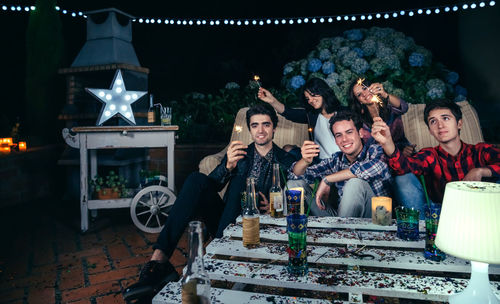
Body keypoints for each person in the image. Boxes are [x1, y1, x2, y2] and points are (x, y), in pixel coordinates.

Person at [123, 104, 296, 301]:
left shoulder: (286, 159)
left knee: (246, 187)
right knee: (198, 179)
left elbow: (300, 186)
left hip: (260, 227)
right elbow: (210, 185)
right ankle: (158, 263)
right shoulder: (240, 154)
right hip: (227, 222)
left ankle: (216, 258)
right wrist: (229, 166)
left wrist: (278, 204)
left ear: (274, 127)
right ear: (250, 129)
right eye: (255, 125)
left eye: (266, 124)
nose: (261, 130)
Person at [371, 99, 500, 217]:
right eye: (433, 121)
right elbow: (403, 167)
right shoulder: (429, 156)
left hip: (481, 214)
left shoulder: (480, 151)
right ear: (430, 131)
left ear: (459, 124)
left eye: (446, 118)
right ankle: (420, 234)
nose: (440, 125)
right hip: (438, 217)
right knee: (403, 179)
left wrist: (480, 171)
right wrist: (388, 143)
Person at [288, 111, 392, 217]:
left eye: (349, 132)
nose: (344, 139)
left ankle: (342, 231)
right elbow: (296, 175)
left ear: (360, 133)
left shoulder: (375, 150)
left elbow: (376, 167)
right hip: (342, 218)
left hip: (378, 218)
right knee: (293, 185)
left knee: (355, 183)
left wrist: (327, 179)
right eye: (339, 135)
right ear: (336, 141)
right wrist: (304, 161)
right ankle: (290, 229)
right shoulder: (336, 160)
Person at [348, 78, 421, 212]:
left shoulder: (389, 107)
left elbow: (403, 107)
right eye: (359, 95)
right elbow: (369, 149)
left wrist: (385, 94)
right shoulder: (360, 122)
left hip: (401, 157)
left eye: (364, 88)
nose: (364, 94)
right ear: (358, 101)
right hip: (380, 163)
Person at [258, 77, 343, 161]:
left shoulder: (344, 113)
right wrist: (271, 100)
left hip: (343, 160)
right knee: (287, 148)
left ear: (323, 92)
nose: (310, 100)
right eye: (307, 98)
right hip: (320, 162)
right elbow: (288, 112)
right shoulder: (312, 115)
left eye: (313, 95)